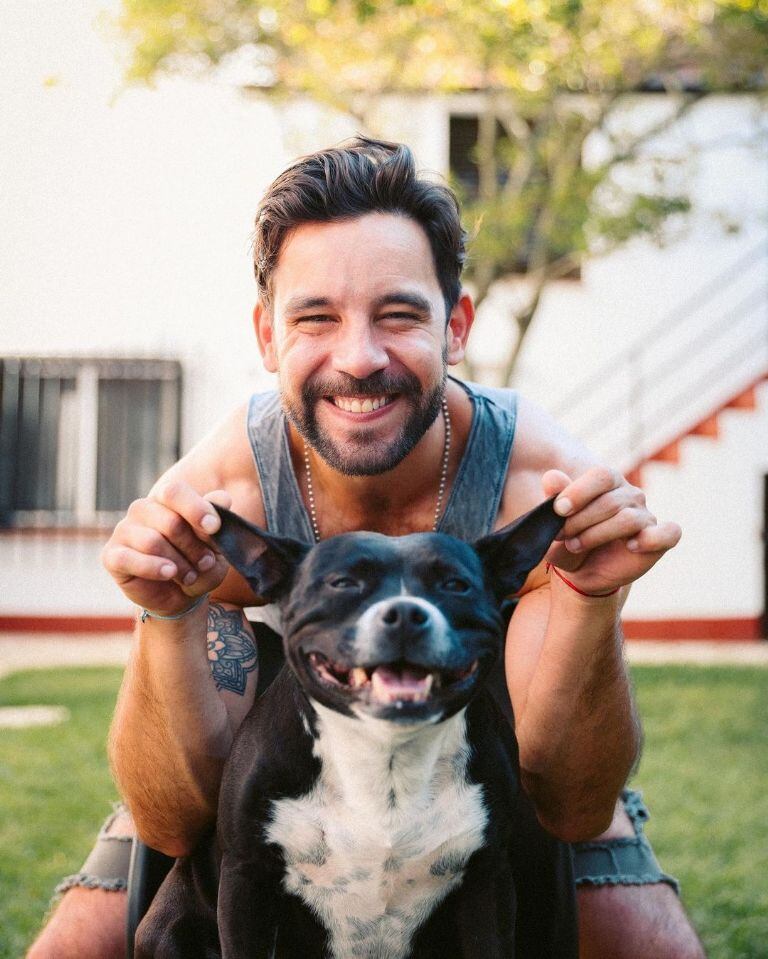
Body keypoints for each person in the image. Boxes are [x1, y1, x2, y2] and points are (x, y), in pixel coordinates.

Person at [28, 138, 704, 959]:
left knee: (654, 945)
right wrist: (166, 615)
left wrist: (593, 600)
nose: (358, 359)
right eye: (316, 317)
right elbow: (175, 819)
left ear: (455, 326)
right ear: (269, 336)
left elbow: (567, 799)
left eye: (398, 314)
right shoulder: (222, 502)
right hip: (284, 772)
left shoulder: (539, 490)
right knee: (73, 947)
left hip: (471, 775)